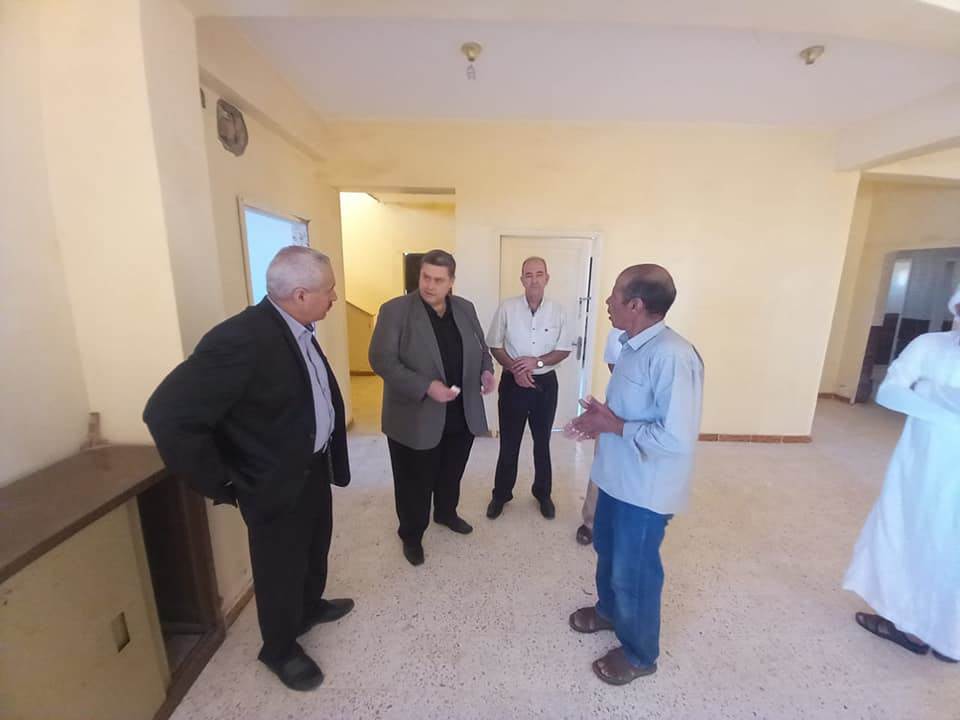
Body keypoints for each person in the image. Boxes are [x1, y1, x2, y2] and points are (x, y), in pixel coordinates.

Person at [143, 246, 353, 693]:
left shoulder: (298, 327)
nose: (335, 297)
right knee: (279, 566)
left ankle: (308, 607)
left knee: (314, 546)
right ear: (300, 295)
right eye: (329, 289)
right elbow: (167, 414)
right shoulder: (242, 339)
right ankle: (279, 649)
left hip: (310, 468)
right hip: (271, 482)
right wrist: (223, 480)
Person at [566, 264, 704, 685]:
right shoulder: (631, 345)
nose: (607, 302)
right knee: (607, 549)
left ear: (637, 305)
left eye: (614, 295)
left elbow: (676, 438)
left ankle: (640, 654)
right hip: (616, 478)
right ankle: (610, 611)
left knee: (635, 571)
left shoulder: (673, 356)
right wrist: (602, 417)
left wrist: (615, 425)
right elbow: (629, 412)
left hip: (645, 490)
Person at [843, 285, 960, 663]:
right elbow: (889, 393)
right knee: (911, 538)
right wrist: (944, 405)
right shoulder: (930, 346)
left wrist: (930, 391)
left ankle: (949, 636)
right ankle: (907, 624)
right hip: (922, 470)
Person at [369, 249, 495, 567]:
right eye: (425, 277)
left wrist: (486, 370)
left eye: (438, 280)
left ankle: (446, 512)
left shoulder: (464, 308)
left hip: (461, 410)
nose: (429, 285)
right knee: (414, 481)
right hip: (415, 415)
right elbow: (381, 360)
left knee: (451, 471)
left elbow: (481, 348)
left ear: (451, 281)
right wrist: (426, 386)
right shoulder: (395, 310)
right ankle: (411, 535)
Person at [485, 257, 573, 520]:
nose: (534, 279)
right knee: (509, 443)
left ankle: (543, 494)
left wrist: (538, 362)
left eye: (539, 274)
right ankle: (501, 495)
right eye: (528, 274)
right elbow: (495, 345)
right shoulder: (507, 308)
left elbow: (564, 349)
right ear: (522, 279)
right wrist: (516, 369)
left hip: (545, 385)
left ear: (547, 278)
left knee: (542, 442)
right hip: (512, 384)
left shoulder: (558, 311)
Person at [576, 327, 624, 545]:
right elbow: (618, 375)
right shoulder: (616, 335)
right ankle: (591, 522)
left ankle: (624, 524)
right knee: (603, 464)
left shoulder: (664, 347)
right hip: (616, 406)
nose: (608, 309)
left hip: (646, 418)